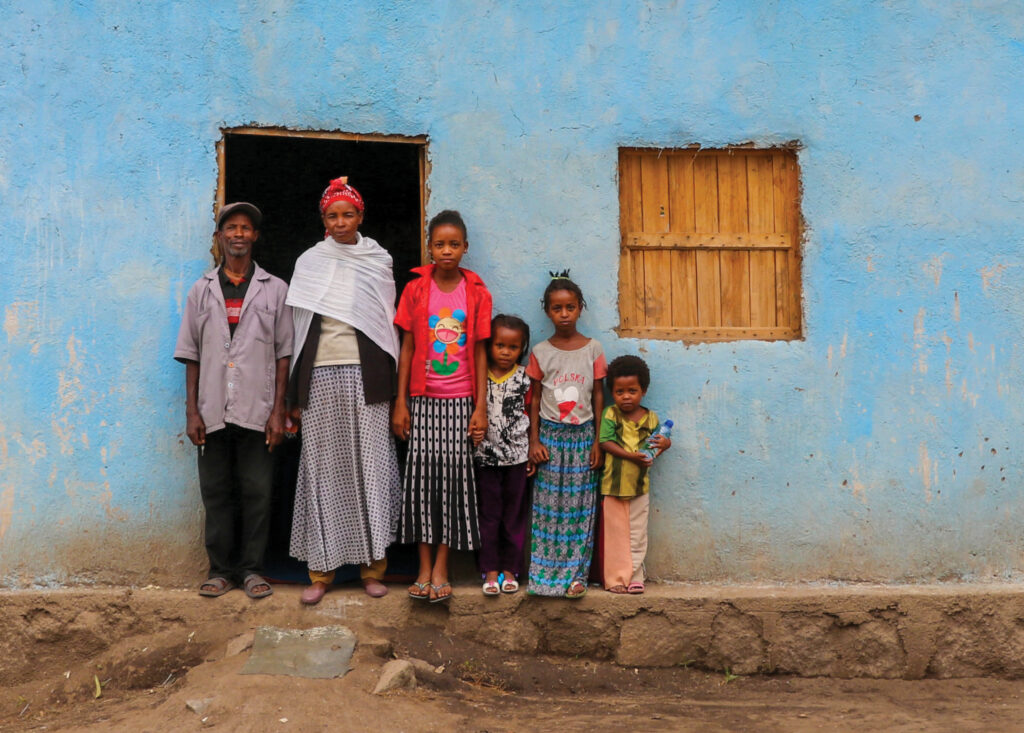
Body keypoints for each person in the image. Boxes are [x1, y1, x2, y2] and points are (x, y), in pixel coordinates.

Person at [286, 177, 402, 605]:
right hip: (319, 377)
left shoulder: (378, 260)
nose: (340, 222)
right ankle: (321, 572)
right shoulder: (309, 262)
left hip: (368, 379)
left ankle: (373, 568)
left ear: (361, 216)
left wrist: (394, 394)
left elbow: (386, 327)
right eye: (332, 216)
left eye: (347, 214)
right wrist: (294, 399)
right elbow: (297, 333)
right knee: (323, 472)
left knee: (369, 469)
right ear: (323, 219)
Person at [174, 202, 292, 599]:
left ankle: (253, 570)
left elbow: (284, 354)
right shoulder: (201, 290)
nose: (239, 234)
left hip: (257, 411)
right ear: (219, 237)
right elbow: (190, 354)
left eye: (246, 228)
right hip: (212, 411)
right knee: (217, 493)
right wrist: (192, 412)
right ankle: (221, 570)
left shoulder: (275, 289)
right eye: (231, 228)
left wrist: (279, 411)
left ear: (255, 236)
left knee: (258, 491)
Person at [392, 210, 492, 603]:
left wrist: (480, 407)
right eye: (439, 244)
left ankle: (441, 568)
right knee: (419, 483)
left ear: (465, 248)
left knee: (452, 484)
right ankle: (421, 566)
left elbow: (481, 351)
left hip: (461, 401)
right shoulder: (416, 289)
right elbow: (409, 347)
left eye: (454, 244)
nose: (446, 251)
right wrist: (401, 402)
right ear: (429, 247)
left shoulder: (477, 292)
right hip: (421, 399)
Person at [526, 271, 606, 598]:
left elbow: (599, 397)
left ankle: (576, 577)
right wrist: (534, 441)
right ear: (547, 311)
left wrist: (599, 441)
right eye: (557, 308)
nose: (564, 315)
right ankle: (543, 577)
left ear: (580, 308)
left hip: (583, 439)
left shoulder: (593, 349)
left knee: (580, 510)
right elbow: (531, 401)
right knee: (547, 509)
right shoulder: (541, 351)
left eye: (570, 307)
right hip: (550, 440)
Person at [598, 355, 671, 594]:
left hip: (640, 487)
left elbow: (656, 446)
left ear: (644, 391)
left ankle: (636, 576)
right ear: (612, 393)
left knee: (638, 534)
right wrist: (630, 456)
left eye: (632, 390)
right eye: (619, 392)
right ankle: (615, 579)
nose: (626, 396)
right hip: (613, 485)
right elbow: (605, 442)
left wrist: (665, 444)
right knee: (616, 535)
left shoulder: (651, 419)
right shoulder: (611, 414)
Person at [474, 314, 533, 596]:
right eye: (499, 345)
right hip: (485, 458)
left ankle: (511, 570)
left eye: (513, 347)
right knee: (489, 515)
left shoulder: (525, 377)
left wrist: (533, 448)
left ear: (521, 348)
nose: (505, 352)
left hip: (518, 459)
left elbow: (533, 413)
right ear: (489, 346)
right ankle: (490, 569)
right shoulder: (479, 376)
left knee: (513, 516)